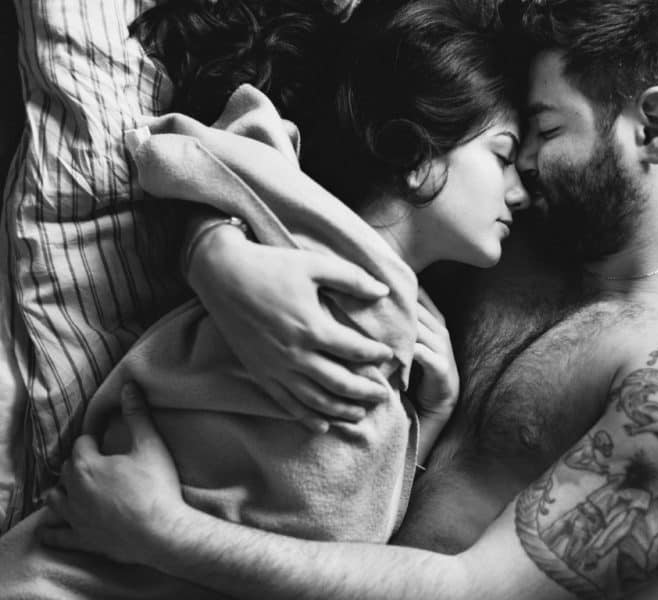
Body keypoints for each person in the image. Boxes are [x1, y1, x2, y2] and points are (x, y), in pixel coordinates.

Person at [40, 0, 658, 598]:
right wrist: (219, 256)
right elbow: (298, 154)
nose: (526, 167)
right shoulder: (512, 230)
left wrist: (161, 532)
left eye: (544, 129)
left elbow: (477, 590)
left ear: (654, 128)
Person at [0, 0, 527, 596]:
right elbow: (188, 146)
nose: (521, 191)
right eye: (502, 156)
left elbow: (351, 525)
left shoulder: (421, 329)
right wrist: (216, 245)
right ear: (417, 155)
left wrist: (429, 417)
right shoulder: (304, 219)